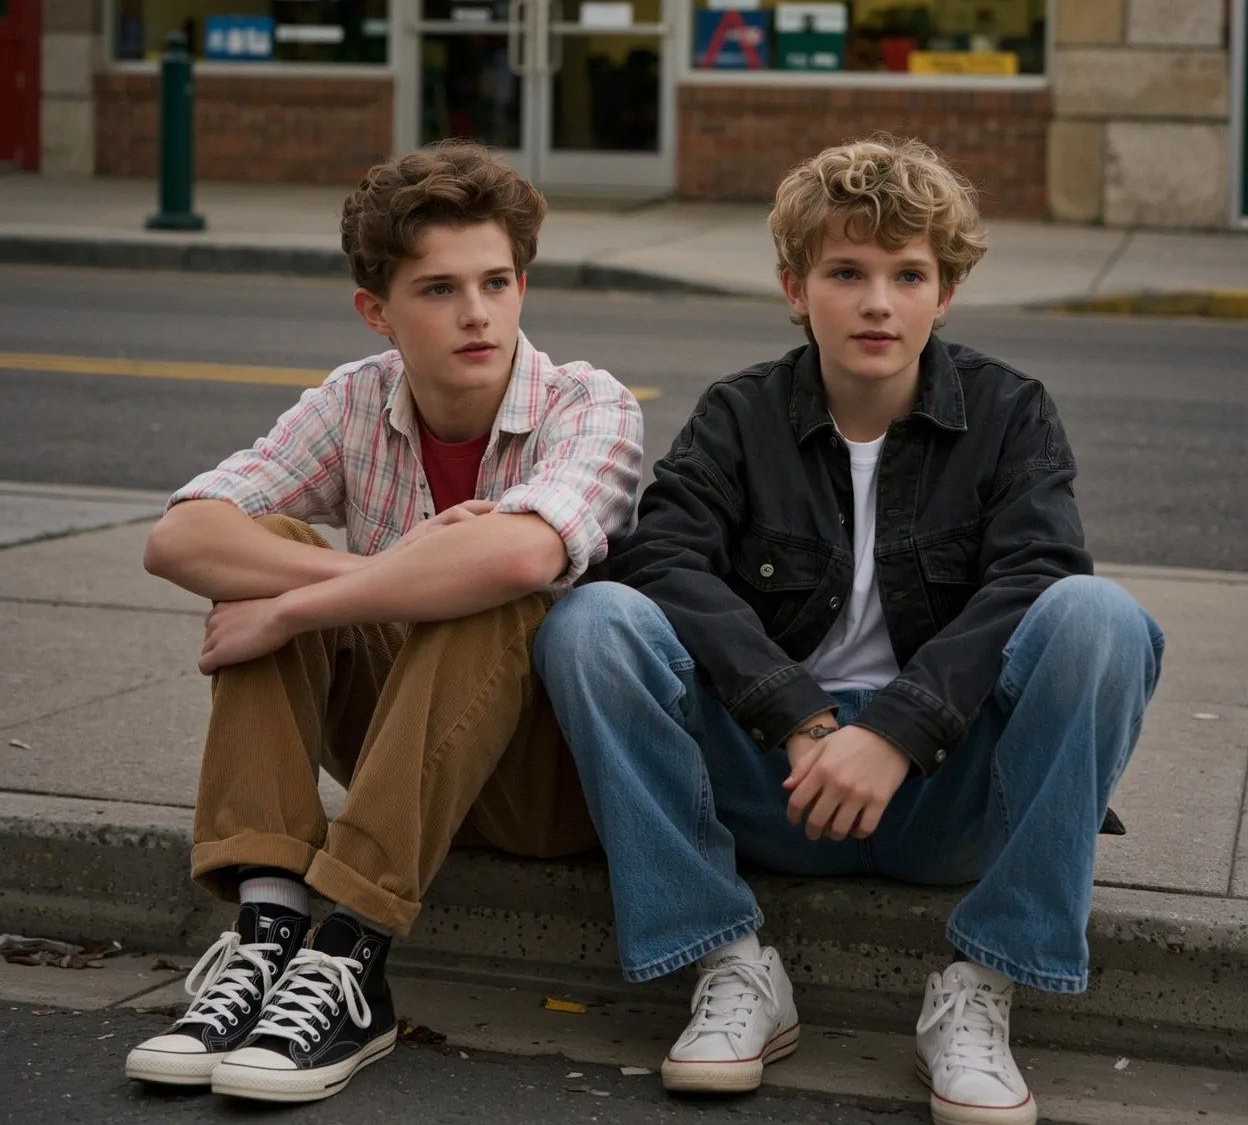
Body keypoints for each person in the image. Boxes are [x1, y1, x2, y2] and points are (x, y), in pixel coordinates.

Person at [534, 136, 1163, 1125]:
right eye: (847, 271)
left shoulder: (1009, 413)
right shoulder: (741, 414)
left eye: (908, 273)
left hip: (944, 788)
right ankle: (729, 962)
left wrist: (897, 729)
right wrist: (798, 713)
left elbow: (1035, 574)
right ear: (796, 286)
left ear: (944, 291)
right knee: (593, 619)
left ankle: (981, 984)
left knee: (1101, 616)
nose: (878, 302)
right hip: (773, 780)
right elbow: (662, 557)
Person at [126, 142, 643, 1105]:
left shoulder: (589, 404)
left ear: (523, 284)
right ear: (379, 310)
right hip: (401, 748)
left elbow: (526, 559)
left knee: (490, 577)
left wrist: (307, 598)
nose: (478, 313)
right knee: (266, 542)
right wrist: (366, 575)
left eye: (497, 281)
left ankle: (354, 956)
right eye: (440, 289)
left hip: (541, 784)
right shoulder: (355, 399)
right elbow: (180, 535)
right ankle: (269, 932)